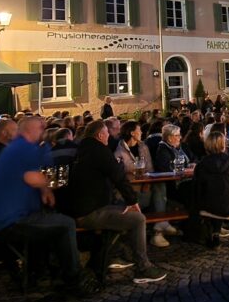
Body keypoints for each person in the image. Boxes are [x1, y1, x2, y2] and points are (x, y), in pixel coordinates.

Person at [0, 116, 93, 295]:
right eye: (39, 128)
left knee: (53, 223)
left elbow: (28, 175)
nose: (42, 132)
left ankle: (44, 272)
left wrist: (44, 190)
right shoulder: (24, 148)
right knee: (66, 224)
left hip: (2, 217)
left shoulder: (15, 149)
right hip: (9, 221)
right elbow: (33, 177)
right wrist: (46, 187)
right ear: (28, 131)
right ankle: (74, 280)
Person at [68, 120, 167, 284]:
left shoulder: (81, 149)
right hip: (90, 211)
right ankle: (143, 267)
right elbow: (118, 176)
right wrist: (132, 201)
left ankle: (115, 254)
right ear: (100, 135)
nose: (110, 136)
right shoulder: (99, 150)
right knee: (138, 219)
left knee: (122, 213)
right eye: (107, 132)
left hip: (82, 207)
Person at [192, 129, 229, 248]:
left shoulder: (202, 164)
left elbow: (198, 190)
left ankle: (212, 232)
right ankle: (216, 232)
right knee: (220, 193)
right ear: (223, 144)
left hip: (209, 206)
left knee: (210, 195)